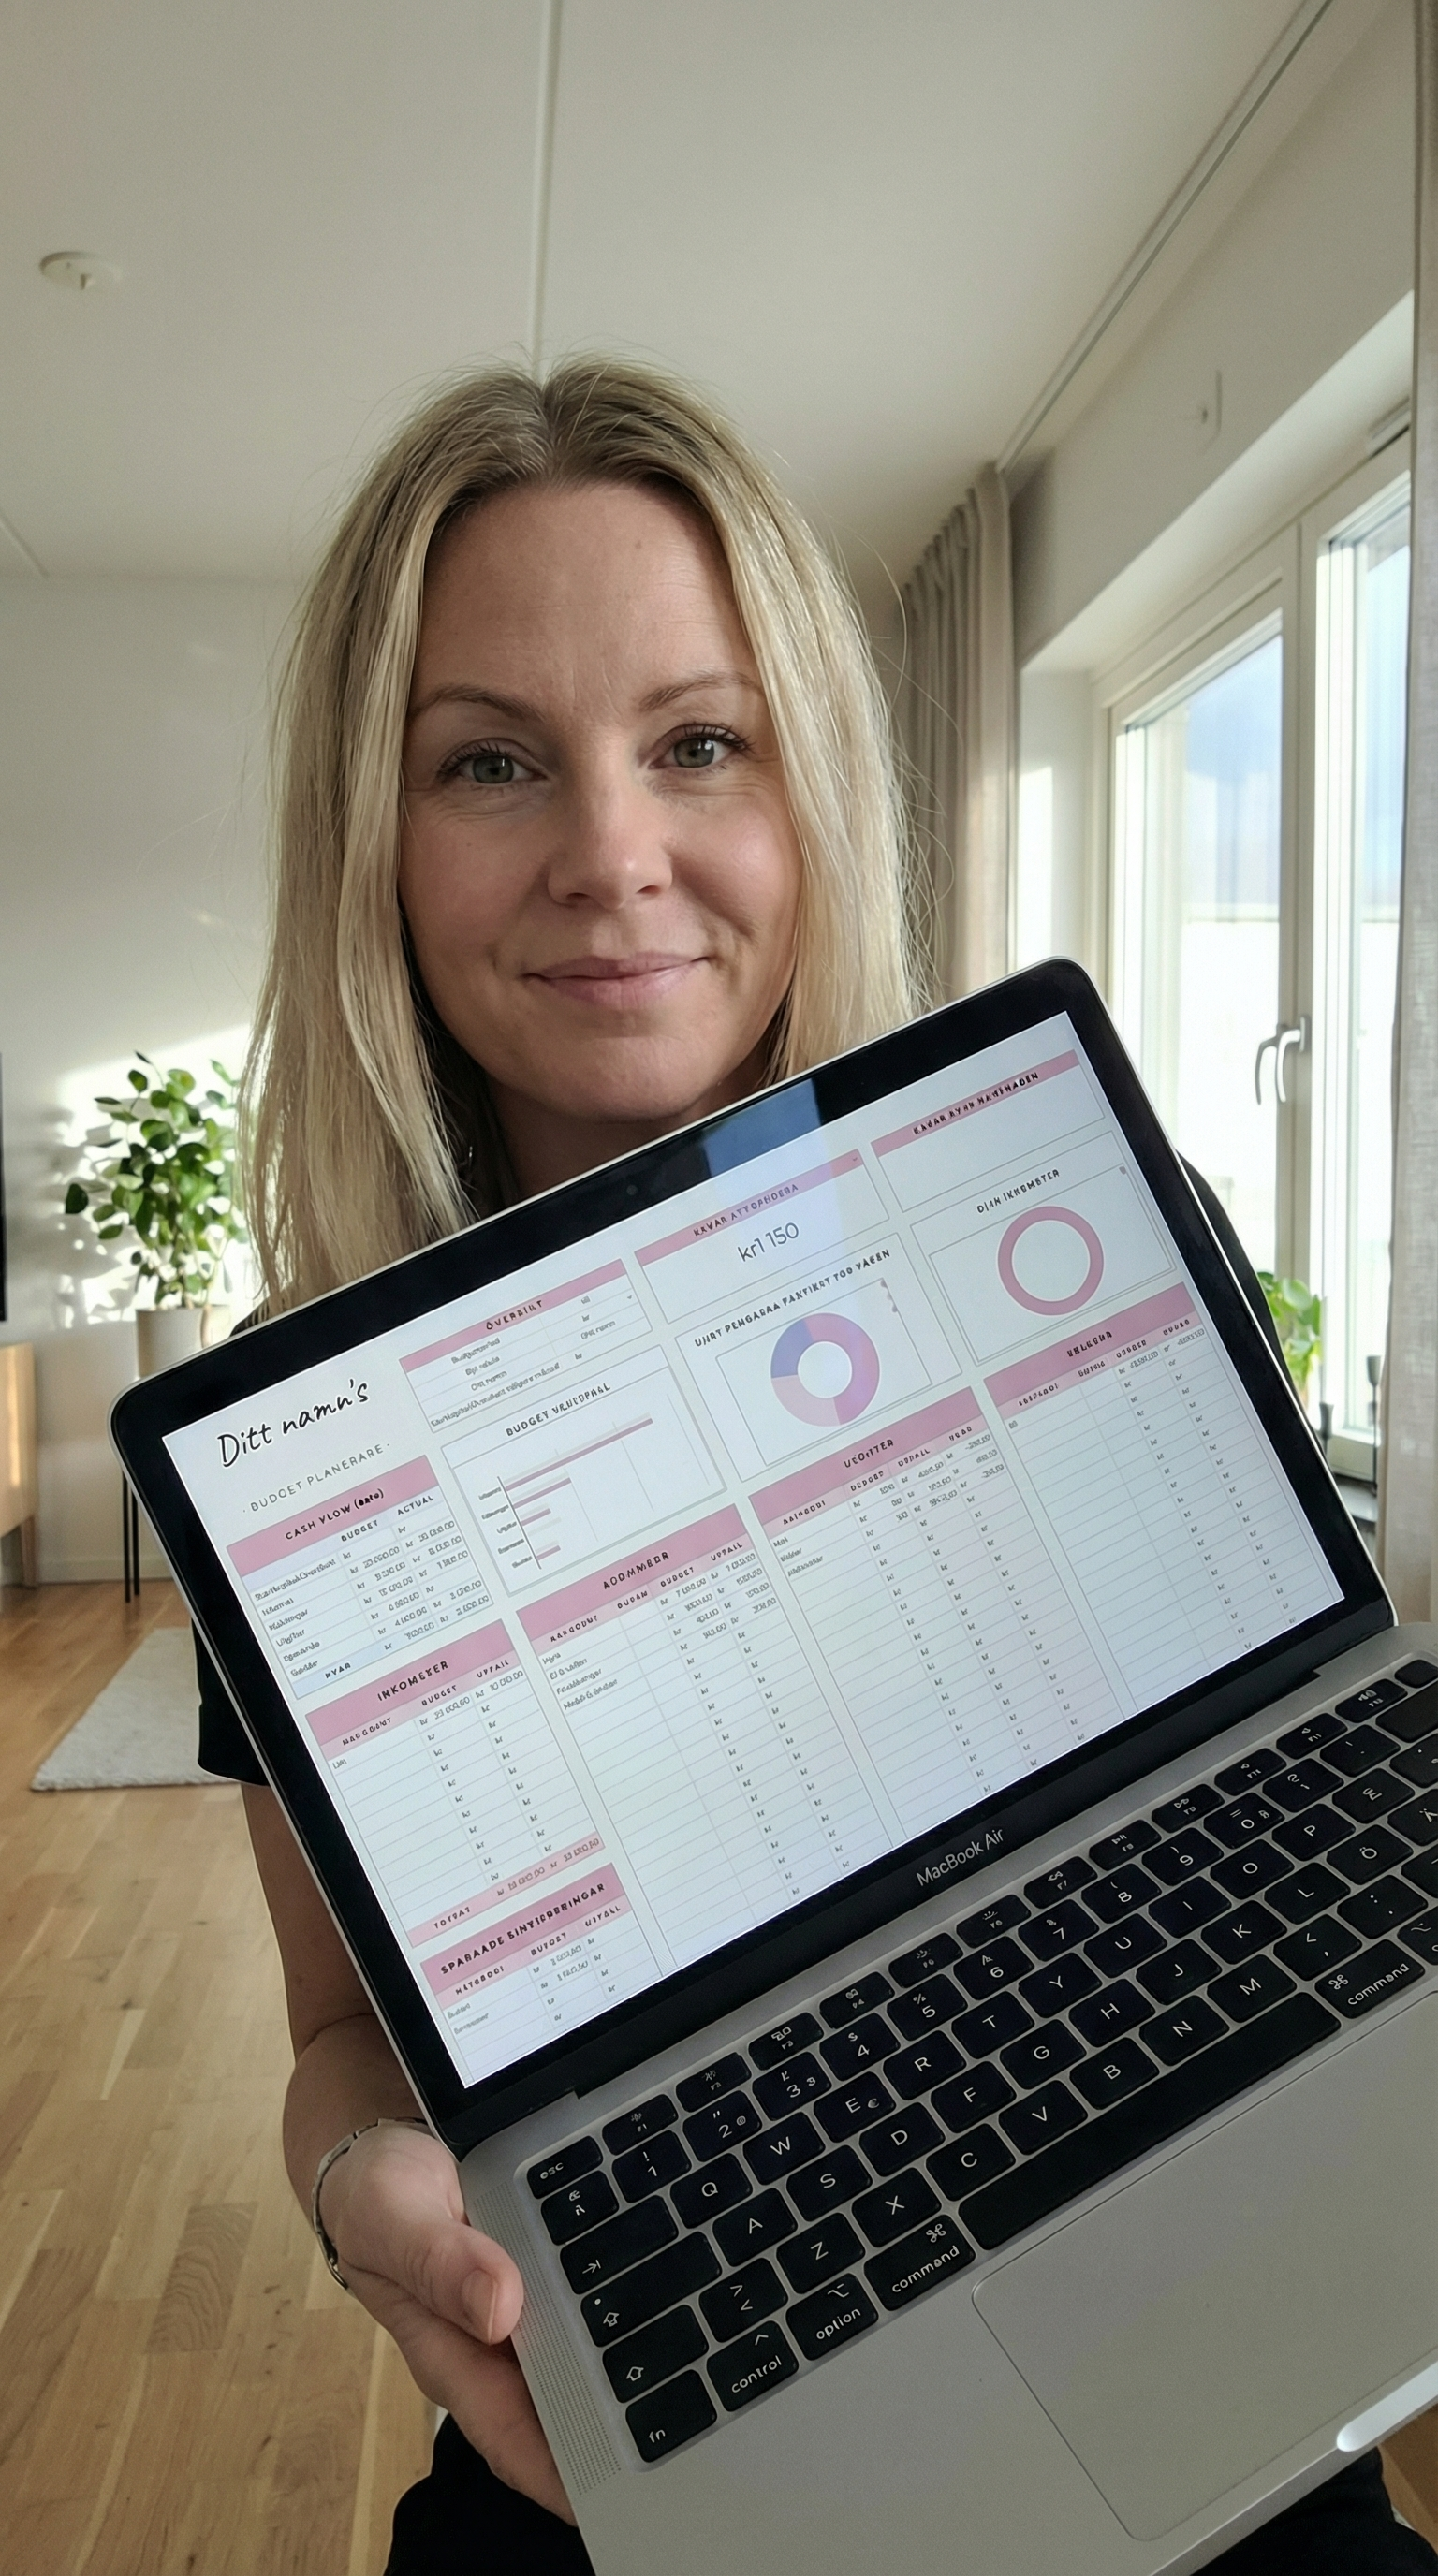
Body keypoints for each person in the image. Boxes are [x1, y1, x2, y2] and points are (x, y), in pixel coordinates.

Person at [198, 359, 1436, 2574]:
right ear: (369, 833)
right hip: (640, 2379)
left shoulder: (1100, 1212)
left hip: (1224, 2311)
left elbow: (1299, 1733)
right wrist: (356, 2178)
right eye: (489, 758)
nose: (613, 854)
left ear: (816, 788)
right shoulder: (287, 1454)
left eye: (699, 740)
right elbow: (333, 2035)